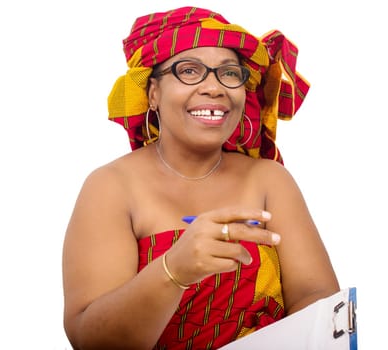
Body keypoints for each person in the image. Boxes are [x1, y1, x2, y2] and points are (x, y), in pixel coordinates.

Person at [62, 6, 340, 350]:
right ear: (152, 93)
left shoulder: (269, 180)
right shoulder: (111, 186)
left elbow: (319, 299)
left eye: (229, 73)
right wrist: (173, 270)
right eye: (189, 70)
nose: (214, 87)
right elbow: (91, 340)